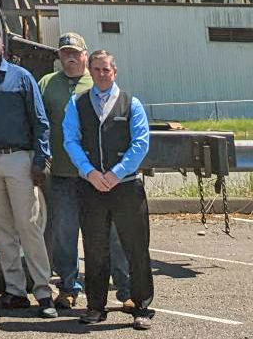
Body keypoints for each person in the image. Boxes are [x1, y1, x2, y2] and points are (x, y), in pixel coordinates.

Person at [0, 29, 56, 317]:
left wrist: (41, 160)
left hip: (19, 159)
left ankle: (43, 292)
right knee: (1, 228)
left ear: (2, 46)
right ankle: (15, 291)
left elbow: (40, 121)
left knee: (28, 226)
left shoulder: (22, 77)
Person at [62, 50, 153, 330]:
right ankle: (95, 307)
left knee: (135, 247)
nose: (102, 74)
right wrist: (89, 172)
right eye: (97, 69)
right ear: (90, 71)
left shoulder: (131, 104)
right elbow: (70, 140)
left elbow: (141, 143)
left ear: (115, 72)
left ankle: (141, 307)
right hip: (92, 188)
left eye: (106, 70)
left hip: (126, 187)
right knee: (95, 249)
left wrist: (116, 173)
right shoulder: (77, 104)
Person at [40, 33, 131, 311]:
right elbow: (40, 123)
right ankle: (68, 288)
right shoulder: (46, 83)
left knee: (112, 234)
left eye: (75, 53)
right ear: (58, 55)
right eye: (64, 52)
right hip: (63, 174)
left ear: (85, 56)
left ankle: (125, 290)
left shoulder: (98, 83)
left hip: (98, 176)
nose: (70, 57)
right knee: (64, 234)